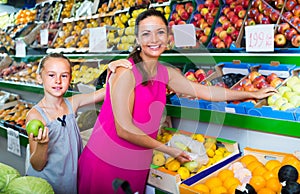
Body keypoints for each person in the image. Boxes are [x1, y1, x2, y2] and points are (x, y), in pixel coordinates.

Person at [77, 9, 277, 194]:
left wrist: (250, 94)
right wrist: (167, 149)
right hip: (108, 162)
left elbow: (205, 91)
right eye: (146, 34)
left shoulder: (165, 73)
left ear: (168, 37)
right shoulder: (125, 73)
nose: (154, 39)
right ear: (137, 39)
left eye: (160, 32)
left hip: (137, 161)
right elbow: (124, 129)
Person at [25, 53, 131, 194]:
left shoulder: (72, 103)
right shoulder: (35, 115)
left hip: (69, 181)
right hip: (46, 185)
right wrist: (43, 145)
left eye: (64, 76)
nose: (58, 81)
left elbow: (106, 91)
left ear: (70, 79)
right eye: (51, 75)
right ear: (39, 77)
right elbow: (37, 165)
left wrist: (113, 69)